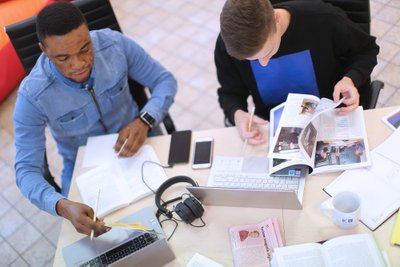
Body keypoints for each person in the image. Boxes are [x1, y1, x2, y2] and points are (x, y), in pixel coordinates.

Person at [13, 2, 177, 237]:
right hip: (83, 168)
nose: (79, 64)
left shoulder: (114, 44)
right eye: (63, 57)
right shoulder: (32, 96)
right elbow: (26, 171)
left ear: (89, 32)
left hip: (142, 143)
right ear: (43, 50)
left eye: (84, 48)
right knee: (103, 243)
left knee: (175, 210)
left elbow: (165, 80)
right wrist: (62, 205)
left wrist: (145, 119)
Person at [215, 0, 379, 145]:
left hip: (331, 119)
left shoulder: (324, 19)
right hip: (274, 130)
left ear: (276, 19)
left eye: (267, 52)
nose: (263, 64)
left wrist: (350, 78)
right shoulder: (230, 44)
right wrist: (237, 113)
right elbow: (230, 92)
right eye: (252, 60)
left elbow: (366, 50)